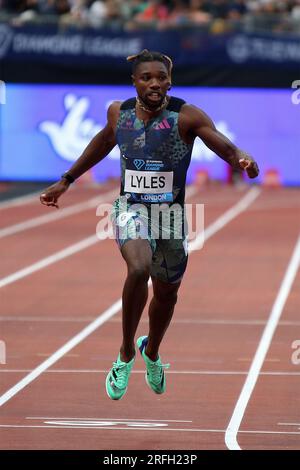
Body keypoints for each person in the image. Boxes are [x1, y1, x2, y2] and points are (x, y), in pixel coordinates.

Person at [40, 49, 259, 400]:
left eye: (161, 77)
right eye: (147, 78)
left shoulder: (186, 116)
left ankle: (152, 350)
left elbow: (224, 146)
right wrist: (66, 179)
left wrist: (241, 160)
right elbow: (102, 142)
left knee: (167, 294)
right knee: (138, 268)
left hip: (170, 216)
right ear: (135, 81)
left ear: (170, 81)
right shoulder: (119, 113)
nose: (155, 83)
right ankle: (126, 351)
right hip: (131, 208)